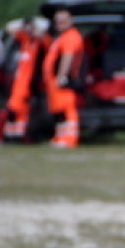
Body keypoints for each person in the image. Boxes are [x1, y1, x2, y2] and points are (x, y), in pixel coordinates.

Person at [42, 8, 85, 149]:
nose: (59, 24)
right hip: (54, 83)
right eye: (58, 22)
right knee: (58, 111)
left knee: (67, 110)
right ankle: (60, 137)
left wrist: (62, 76)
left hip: (64, 81)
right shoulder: (61, 37)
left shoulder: (71, 36)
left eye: (62, 21)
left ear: (69, 21)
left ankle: (69, 139)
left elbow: (68, 56)